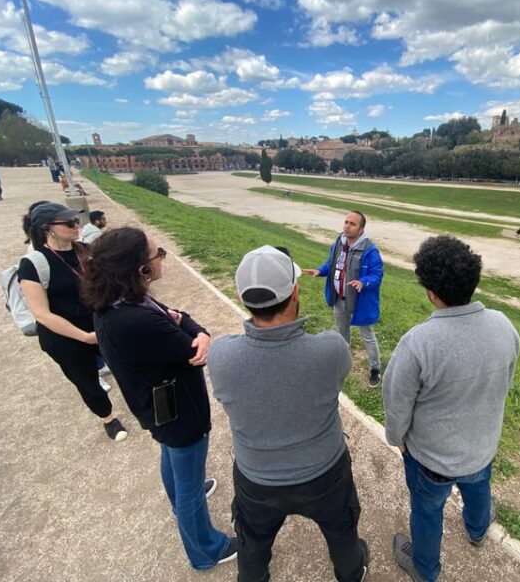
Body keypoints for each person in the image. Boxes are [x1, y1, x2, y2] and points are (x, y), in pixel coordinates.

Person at [208, 245, 369, 582]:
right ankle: (351, 571)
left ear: (241, 297)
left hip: (257, 478)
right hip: (324, 474)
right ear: (295, 292)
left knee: (253, 544)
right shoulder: (330, 349)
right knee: (341, 532)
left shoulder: (221, 355)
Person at [82, 227, 237, 570]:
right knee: (189, 486)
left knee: (172, 457)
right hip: (179, 411)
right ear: (142, 269)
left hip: (157, 406)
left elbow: (178, 317)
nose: (162, 258)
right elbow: (191, 348)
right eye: (158, 255)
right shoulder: (137, 319)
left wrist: (188, 325)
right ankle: (206, 550)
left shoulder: (120, 301)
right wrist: (200, 332)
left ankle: (178, 501)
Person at [383, 235, 520, 582]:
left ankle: (425, 570)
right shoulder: (504, 325)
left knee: (427, 513)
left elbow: (396, 399)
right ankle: (477, 530)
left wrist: (397, 437)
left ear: (430, 292)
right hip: (482, 448)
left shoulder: (418, 342)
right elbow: (505, 381)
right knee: (479, 490)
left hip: (431, 459)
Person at [18, 203, 127, 441]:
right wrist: (85, 337)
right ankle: (108, 418)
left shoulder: (87, 251)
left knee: (126, 363)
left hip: (98, 324)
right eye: (69, 223)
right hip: (65, 337)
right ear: (49, 229)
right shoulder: (34, 264)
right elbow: (42, 314)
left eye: (76, 221)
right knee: (86, 380)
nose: (76, 226)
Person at [303, 211, 384, 387]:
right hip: (339, 298)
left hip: (359, 302)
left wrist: (364, 282)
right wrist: (320, 270)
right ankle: (343, 363)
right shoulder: (339, 243)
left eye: (352, 224)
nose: (347, 226)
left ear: (361, 229)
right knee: (341, 334)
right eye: (346, 222)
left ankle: (375, 369)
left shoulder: (370, 251)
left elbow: (377, 276)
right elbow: (331, 264)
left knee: (367, 335)